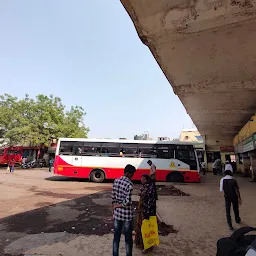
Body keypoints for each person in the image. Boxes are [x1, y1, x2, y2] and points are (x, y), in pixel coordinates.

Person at [112, 164, 136, 256]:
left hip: (117, 214)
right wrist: (120, 204)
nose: (132, 176)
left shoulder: (116, 181)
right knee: (128, 239)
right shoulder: (129, 184)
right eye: (132, 174)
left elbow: (113, 198)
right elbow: (127, 202)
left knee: (116, 237)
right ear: (128, 173)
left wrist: (114, 210)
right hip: (127, 216)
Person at [135, 174, 157, 252]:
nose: (142, 180)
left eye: (144, 179)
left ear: (148, 179)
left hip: (147, 211)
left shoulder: (151, 188)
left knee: (147, 229)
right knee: (141, 227)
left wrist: (147, 213)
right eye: (141, 179)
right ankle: (141, 244)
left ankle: (148, 246)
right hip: (142, 210)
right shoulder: (144, 187)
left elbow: (151, 201)